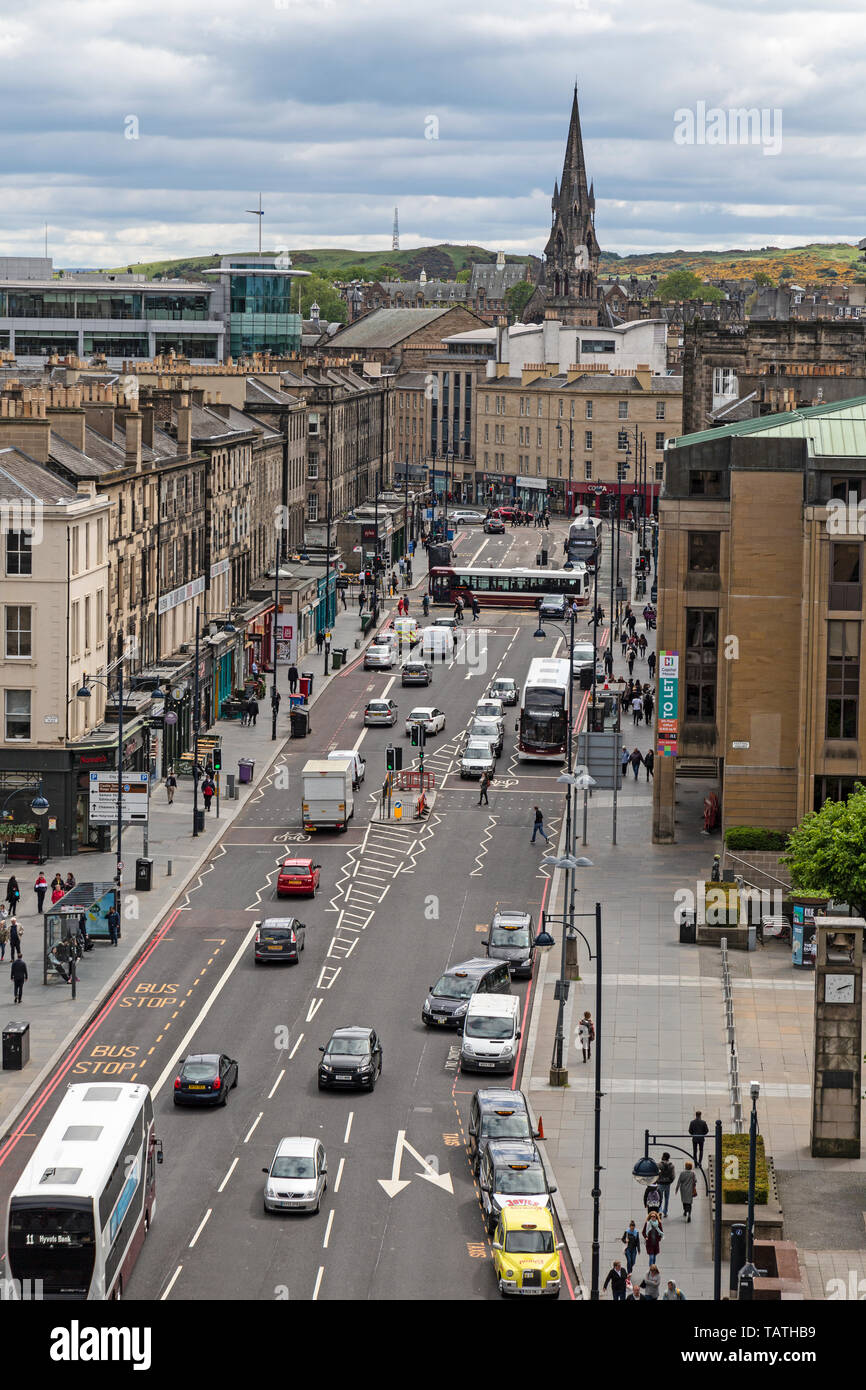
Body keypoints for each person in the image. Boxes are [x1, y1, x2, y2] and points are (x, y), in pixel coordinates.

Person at [657, 1152, 675, 1218]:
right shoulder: (671, 1166)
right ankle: (665, 1212)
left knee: (659, 1198)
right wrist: (670, 1181)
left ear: (664, 1157)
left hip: (660, 1183)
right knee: (666, 1198)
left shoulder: (659, 1165)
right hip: (667, 1184)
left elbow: (656, 1173)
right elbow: (673, 1176)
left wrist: (657, 1180)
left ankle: (659, 1211)